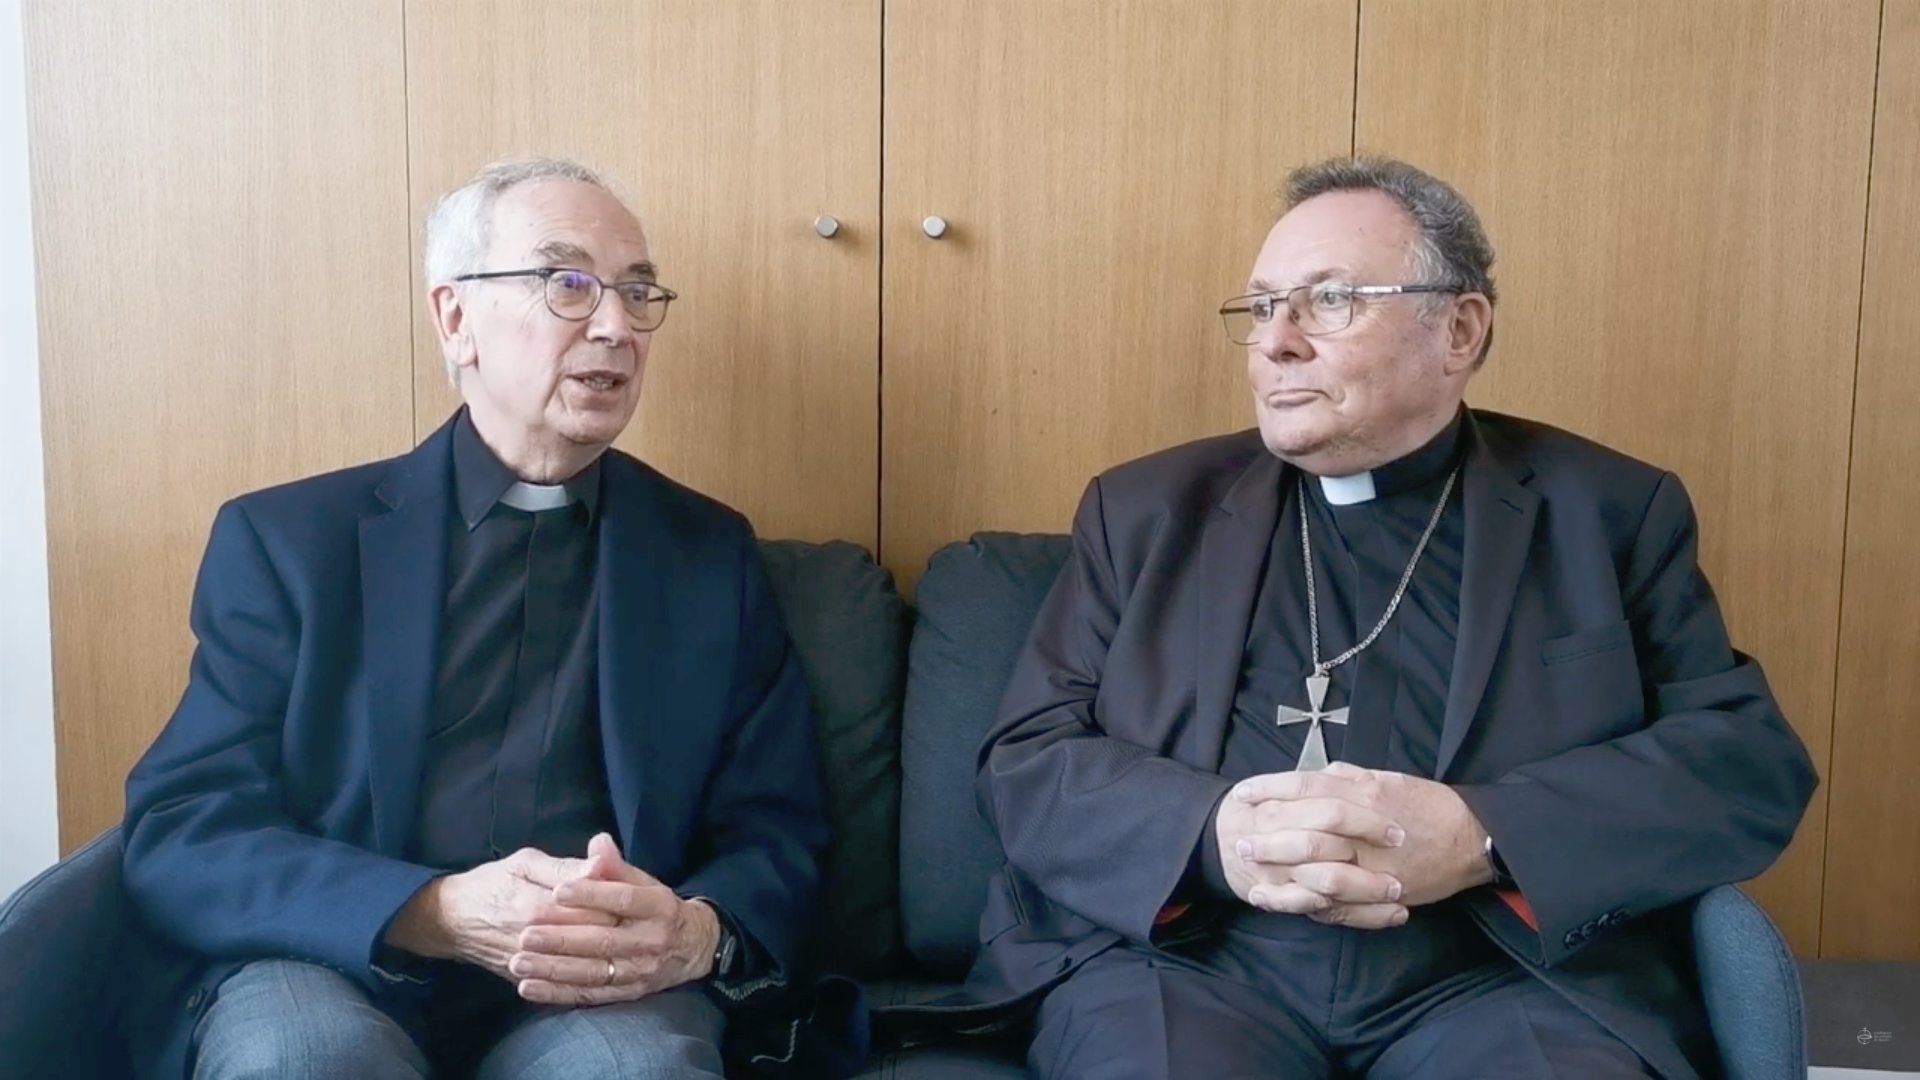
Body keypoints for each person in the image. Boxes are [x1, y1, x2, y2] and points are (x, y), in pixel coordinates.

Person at [967, 156, 1817, 1079]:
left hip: (1499, 976)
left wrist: (1486, 834)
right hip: (1187, 964)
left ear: (1459, 329)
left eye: (1328, 301)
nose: (1276, 342)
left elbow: (1744, 763)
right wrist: (1212, 836)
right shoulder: (1143, 511)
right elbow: (1028, 758)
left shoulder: (1607, 513)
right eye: (1263, 307)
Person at [121, 156, 826, 1079]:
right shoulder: (291, 542)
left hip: (598, 986)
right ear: (455, 319)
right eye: (567, 283)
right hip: (335, 958)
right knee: (306, 1059)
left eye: (636, 292)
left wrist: (695, 933)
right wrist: (435, 910)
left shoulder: (708, 554)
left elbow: (777, 827)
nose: (616, 327)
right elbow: (186, 827)